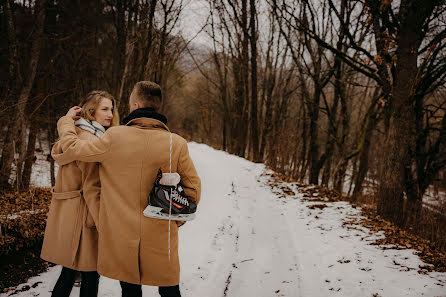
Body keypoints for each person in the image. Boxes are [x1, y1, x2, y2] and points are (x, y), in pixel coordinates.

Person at [55, 81, 201, 297]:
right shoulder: (176, 143)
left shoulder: (114, 137)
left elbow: (74, 149)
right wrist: (174, 219)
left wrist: (65, 122)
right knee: (170, 290)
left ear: (134, 104)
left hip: (122, 236)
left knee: (130, 290)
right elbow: (193, 190)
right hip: (161, 235)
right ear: (158, 106)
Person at [41, 91, 119, 297]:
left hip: (71, 215)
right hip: (86, 217)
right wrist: (105, 224)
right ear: (91, 112)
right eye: (104, 109)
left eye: (111, 109)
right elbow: (92, 188)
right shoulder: (91, 140)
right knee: (90, 274)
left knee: (69, 271)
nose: (110, 114)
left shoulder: (76, 134)